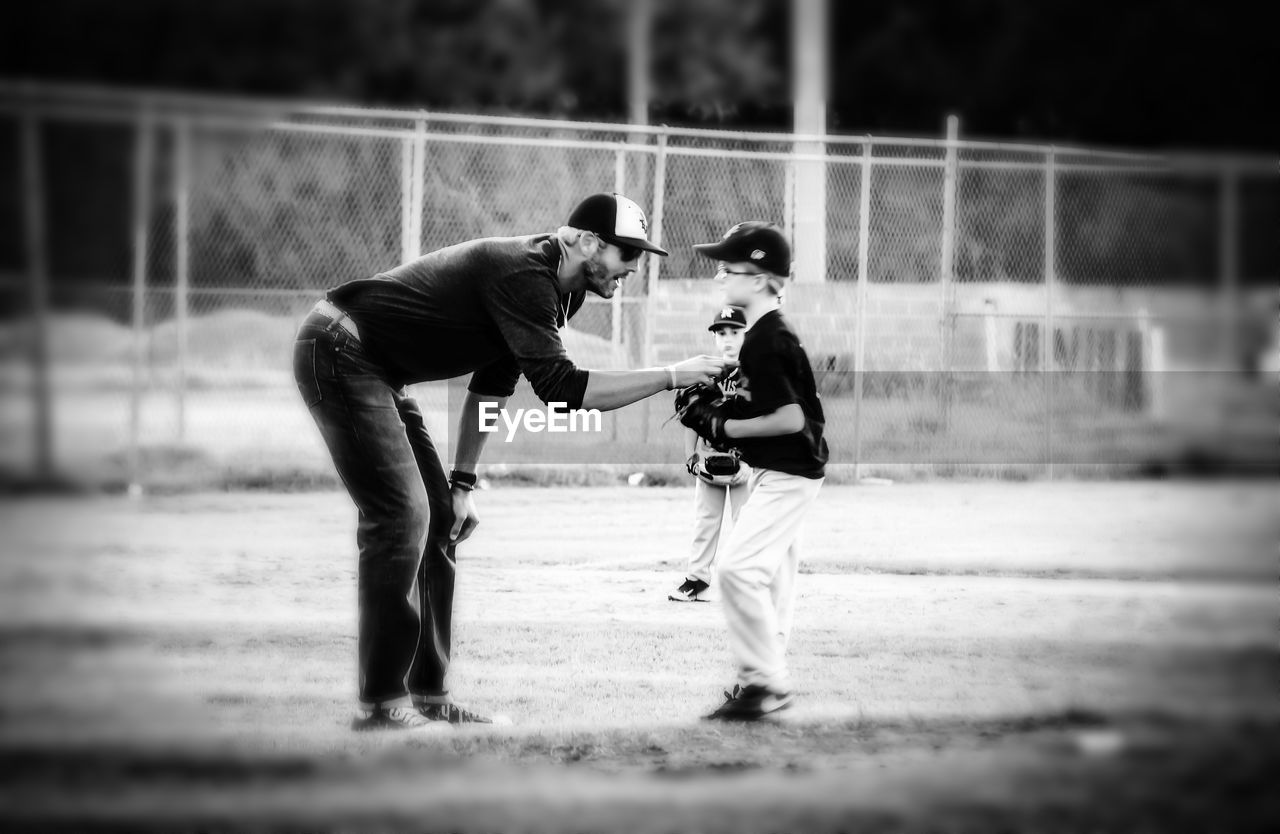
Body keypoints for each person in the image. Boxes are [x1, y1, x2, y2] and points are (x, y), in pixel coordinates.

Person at [292, 193, 730, 731]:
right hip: (341, 349)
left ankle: (428, 695)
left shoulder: (564, 293)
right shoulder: (525, 272)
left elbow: (494, 381)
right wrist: (672, 374)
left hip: (380, 371)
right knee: (402, 516)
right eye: (627, 253)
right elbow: (562, 389)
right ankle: (382, 702)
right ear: (587, 242)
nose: (635, 267)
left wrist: (462, 482)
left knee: (439, 522)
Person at [677, 221, 828, 722]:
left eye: (728, 269)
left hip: (788, 474)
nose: (720, 278)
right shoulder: (761, 335)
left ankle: (765, 682)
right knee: (771, 580)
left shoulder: (768, 339)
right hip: (782, 471)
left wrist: (725, 427)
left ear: (762, 277)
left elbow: (791, 418)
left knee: (737, 570)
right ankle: (760, 683)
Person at [669, 305, 751, 603]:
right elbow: (693, 415)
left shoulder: (756, 372)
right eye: (721, 333)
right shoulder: (707, 372)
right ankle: (697, 580)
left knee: (746, 522)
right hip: (710, 459)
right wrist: (690, 456)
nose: (727, 338)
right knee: (705, 520)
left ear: (747, 334)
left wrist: (754, 462)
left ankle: (746, 583)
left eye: (735, 331)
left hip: (747, 462)